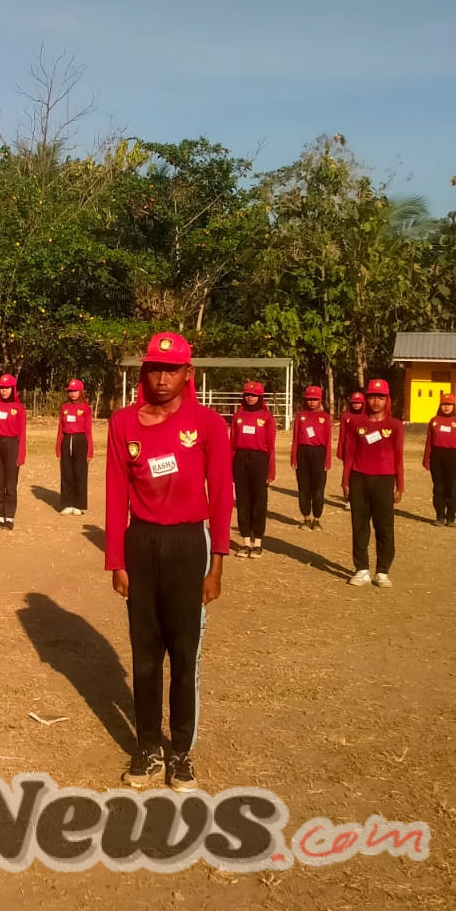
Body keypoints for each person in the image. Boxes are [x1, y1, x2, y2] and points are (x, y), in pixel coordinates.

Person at [106, 331, 231, 793]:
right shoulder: (123, 424)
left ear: (187, 374)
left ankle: (181, 752)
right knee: (143, 657)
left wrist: (217, 563)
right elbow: (116, 493)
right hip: (141, 544)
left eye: (172, 370)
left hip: (187, 546)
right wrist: (117, 560)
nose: (162, 378)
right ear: (144, 372)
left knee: (183, 656)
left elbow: (220, 495)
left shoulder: (209, 425)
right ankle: (147, 749)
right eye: (155, 369)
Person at [341, 378, 404, 589]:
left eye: (380, 397)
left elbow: (398, 457)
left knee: (384, 526)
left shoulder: (394, 426)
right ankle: (362, 569)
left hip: (384, 479)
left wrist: (400, 485)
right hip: (359, 478)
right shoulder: (357, 424)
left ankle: (383, 571)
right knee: (359, 525)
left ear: (387, 399)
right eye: (372, 397)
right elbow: (349, 455)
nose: (376, 402)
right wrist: (346, 482)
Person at [228, 381, 276, 556]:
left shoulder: (267, 418)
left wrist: (271, 471)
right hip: (240, 459)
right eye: (247, 394)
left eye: (254, 395)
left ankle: (258, 543)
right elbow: (231, 444)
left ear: (260, 397)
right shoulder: (237, 417)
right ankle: (245, 541)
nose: (250, 398)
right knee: (242, 501)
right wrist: (229, 467)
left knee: (259, 502)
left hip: (259, 460)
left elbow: (271, 446)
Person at [422, 392, 456, 527]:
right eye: (444, 404)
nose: (446, 407)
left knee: (452, 489)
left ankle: (451, 518)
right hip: (437, 456)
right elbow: (429, 441)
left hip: (453, 457)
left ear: (454, 406)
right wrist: (426, 459)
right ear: (440, 405)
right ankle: (440, 517)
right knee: (438, 488)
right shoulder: (434, 421)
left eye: (449, 405)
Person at [0, 373, 27, 528]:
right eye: (1, 388)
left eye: (7, 388)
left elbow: (22, 434)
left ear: (13, 389)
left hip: (12, 446)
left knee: (10, 484)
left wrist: (21, 455)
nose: (3, 391)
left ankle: (9, 517)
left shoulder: (19, 408)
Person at [290, 385, 332, 531]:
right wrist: (293, 457)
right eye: (309, 399)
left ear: (320, 400)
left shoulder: (325, 418)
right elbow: (295, 438)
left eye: (315, 399)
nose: (312, 402)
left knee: (318, 489)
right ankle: (306, 518)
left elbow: (328, 441)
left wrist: (327, 460)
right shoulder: (301, 416)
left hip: (319, 453)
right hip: (303, 452)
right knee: (304, 488)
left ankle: (317, 518)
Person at [56, 379, 94, 515]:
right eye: (70, 391)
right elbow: (60, 428)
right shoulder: (64, 408)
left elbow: (89, 430)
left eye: (75, 391)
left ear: (81, 392)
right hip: (66, 440)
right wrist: (58, 447)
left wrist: (90, 451)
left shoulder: (86, 408)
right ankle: (67, 503)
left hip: (80, 441)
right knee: (66, 473)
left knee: (80, 473)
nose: (72, 394)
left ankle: (78, 504)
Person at [336, 390, 365, 463]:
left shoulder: (367, 416)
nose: (356, 405)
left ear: (363, 403)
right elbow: (342, 434)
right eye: (354, 403)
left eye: (358, 403)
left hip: (363, 449)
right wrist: (340, 451)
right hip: (349, 449)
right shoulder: (346, 416)